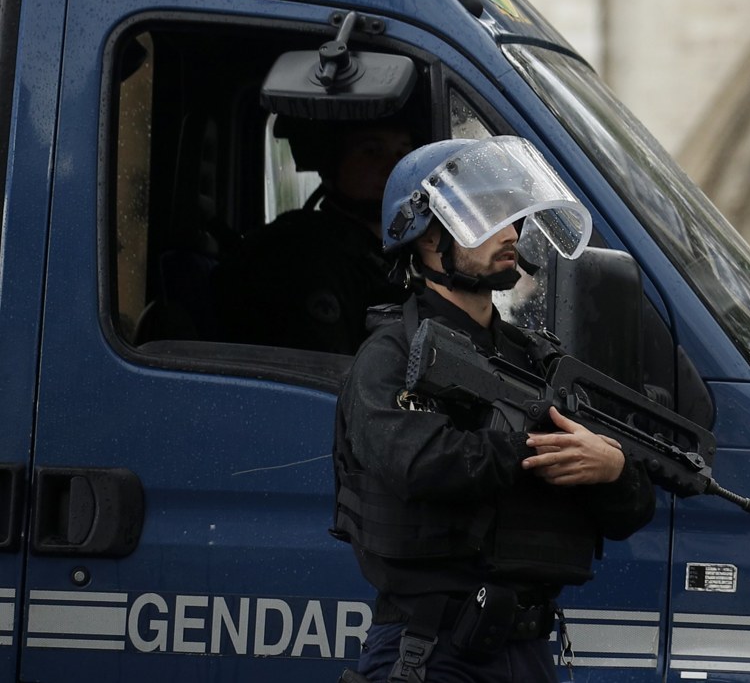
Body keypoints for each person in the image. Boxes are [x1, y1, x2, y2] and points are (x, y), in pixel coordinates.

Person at [334, 137, 655, 683]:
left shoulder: (535, 359)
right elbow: (420, 462)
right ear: (429, 238)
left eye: (512, 219)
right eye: (487, 218)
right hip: (433, 649)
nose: (511, 234)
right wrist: (532, 445)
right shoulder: (389, 357)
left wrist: (614, 469)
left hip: (525, 650)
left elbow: (628, 512)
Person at [221, 115, 416, 354]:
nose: (393, 167)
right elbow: (327, 374)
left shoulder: (396, 249)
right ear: (331, 163)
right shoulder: (303, 257)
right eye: (372, 151)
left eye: (403, 153)